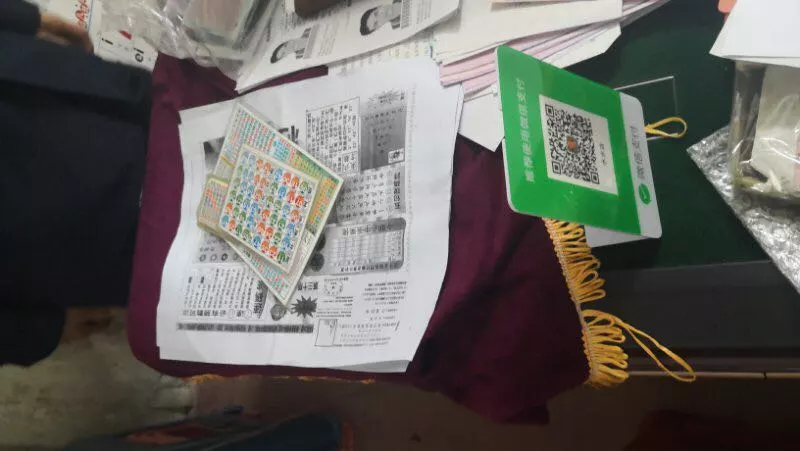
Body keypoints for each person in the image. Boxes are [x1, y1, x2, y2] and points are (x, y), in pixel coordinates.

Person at [0, 0, 150, 366]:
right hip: (52, 228)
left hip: (44, 77)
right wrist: (34, 332)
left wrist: (21, 18)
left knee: (190, 106)